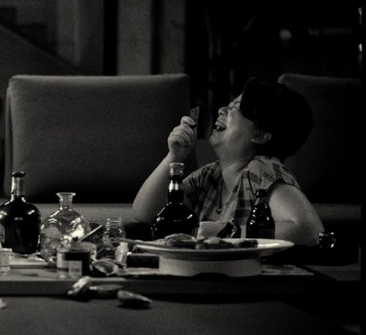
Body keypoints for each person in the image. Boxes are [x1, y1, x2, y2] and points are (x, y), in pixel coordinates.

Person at [132, 78, 323, 245]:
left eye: (235, 109)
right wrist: (174, 156)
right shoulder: (211, 175)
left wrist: (226, 232)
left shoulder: (262, 169)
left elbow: (310, 230)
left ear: (260, 135)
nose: (221, 110)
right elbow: (146, 212)